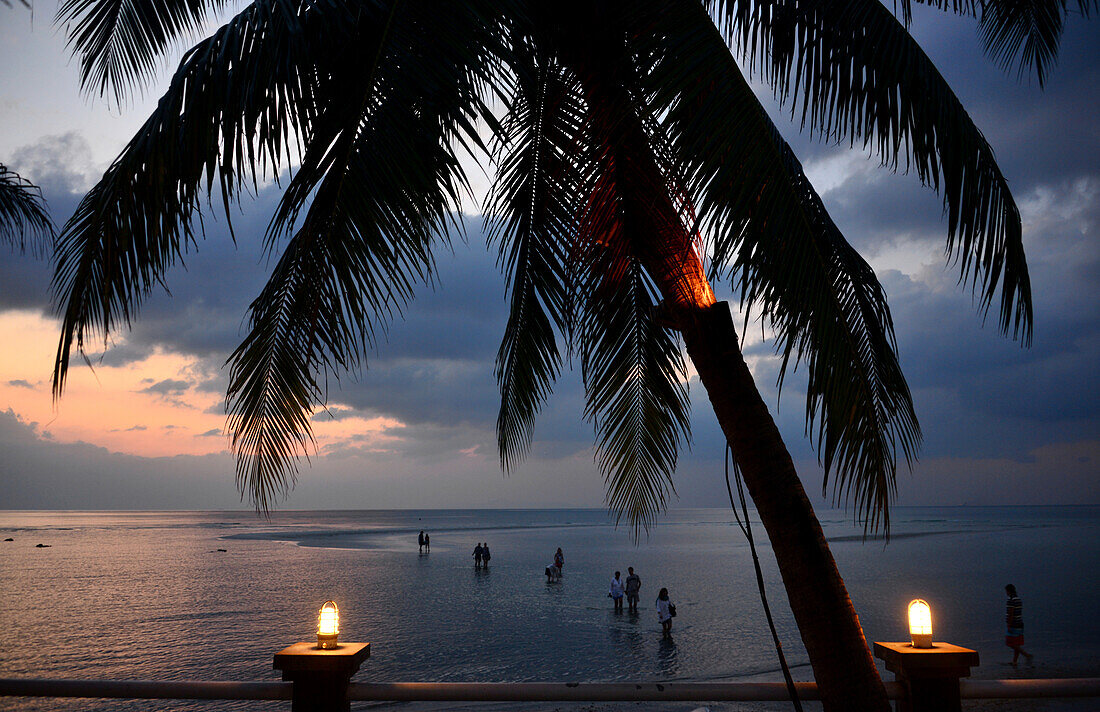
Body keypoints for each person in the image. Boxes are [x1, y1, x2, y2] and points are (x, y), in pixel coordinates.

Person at [1005, 584, 1033, 666]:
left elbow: (1011, 613)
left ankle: (1027, 655)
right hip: (1020, 623)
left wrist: (1009, 624)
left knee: (1010, 643)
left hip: (1014, 624)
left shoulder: (1010, 600)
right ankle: (1014, 661)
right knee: (1017, 643)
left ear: (1008, 591)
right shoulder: (1018, 599)